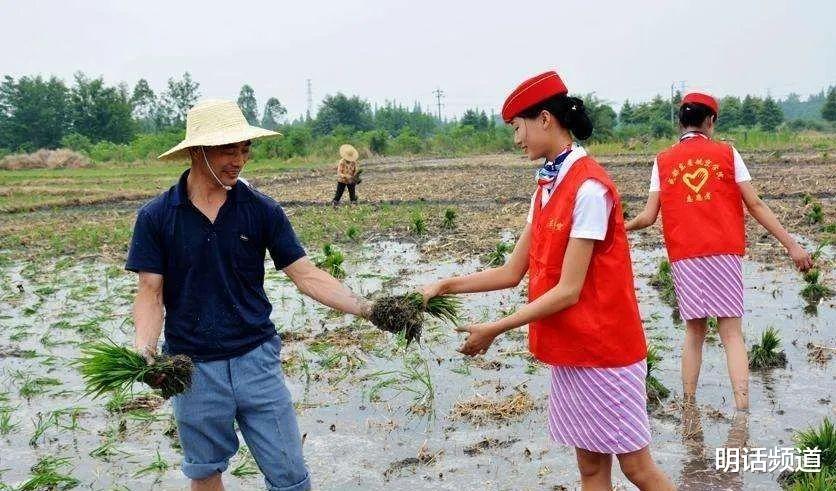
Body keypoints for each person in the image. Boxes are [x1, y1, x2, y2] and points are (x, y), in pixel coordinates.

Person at [422, 71, 675, 490]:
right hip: (572, 353)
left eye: (517, 127)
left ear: (544, 119)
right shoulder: (546, 185)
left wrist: (495, 329)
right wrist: (443, 286)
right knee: (591, 470)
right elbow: (511, 272)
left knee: (637, 469)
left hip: (606, 353)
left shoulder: (589, 187)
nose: (516, 138)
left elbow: (569, 290)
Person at [126, 99, 370, 491]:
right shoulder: (157, 216)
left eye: (244, 149)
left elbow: (305, 274)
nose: (239, 160)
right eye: (228, 149)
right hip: (192, 368)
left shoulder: (261, 210)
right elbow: (150, 294)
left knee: (290, 475)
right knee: (204, 470)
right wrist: (146, 351)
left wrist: (368, 309)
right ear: (195, 151)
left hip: (256, 360)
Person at [626, 92, 812, 410]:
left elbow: (647, 216)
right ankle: (741, 408)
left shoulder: (663, 160)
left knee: (694, 332)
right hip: (723, 253)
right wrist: (792, 245)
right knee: (731, 334)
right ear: (710, 120)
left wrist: (618, 227)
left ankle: (688, 404)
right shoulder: (727, 153)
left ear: (681, 122)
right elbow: (754, 203)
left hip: (685, 256)